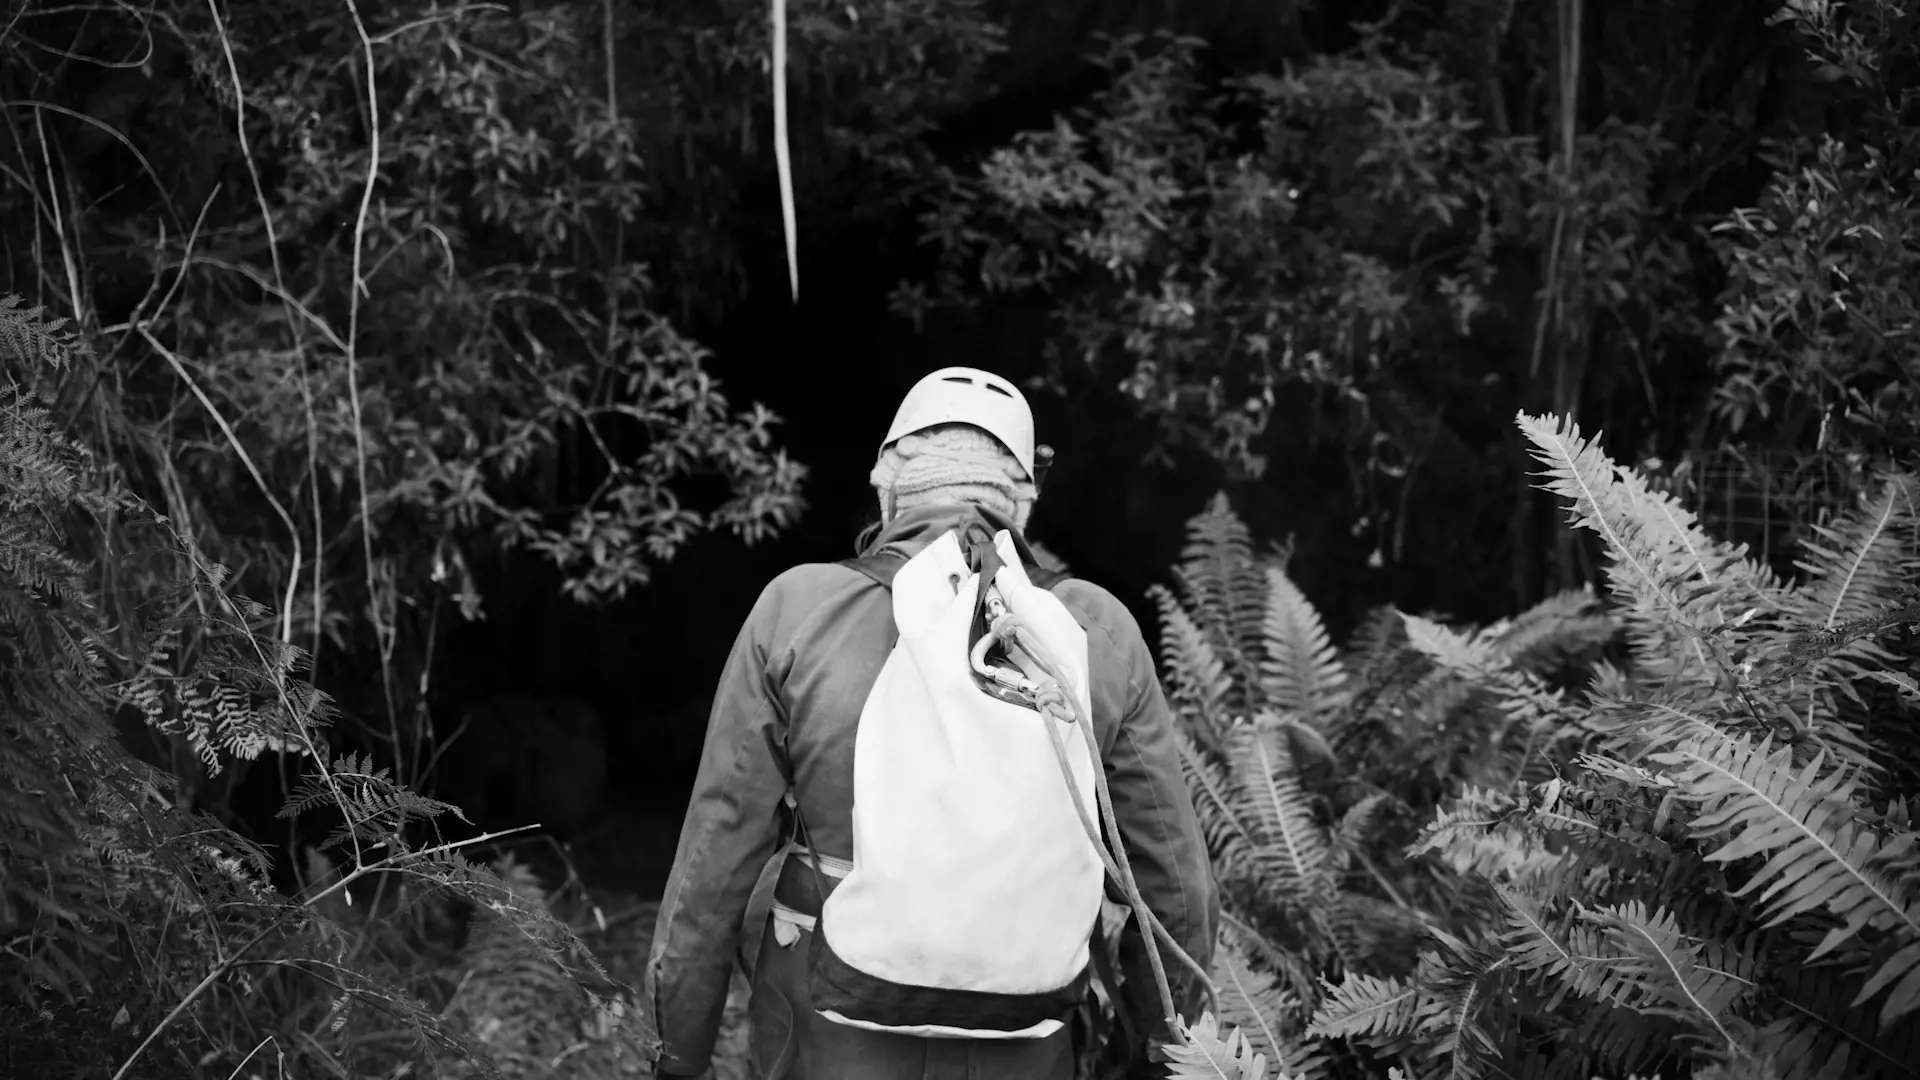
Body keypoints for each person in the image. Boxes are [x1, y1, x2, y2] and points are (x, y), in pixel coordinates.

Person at [644, 367, 1219, 1080]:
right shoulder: (1095, 634)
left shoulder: (798, 612)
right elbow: (1176, 890)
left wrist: (676, 1055)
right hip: (1026, 1042)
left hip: (826, 1033)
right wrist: (1160, 1057)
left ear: (887, 487)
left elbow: (713, 866)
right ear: (1023, 504)